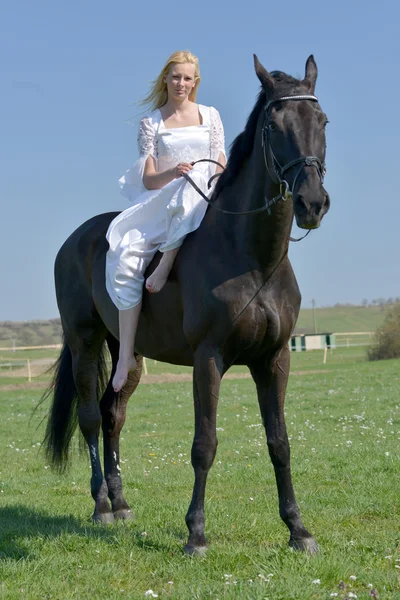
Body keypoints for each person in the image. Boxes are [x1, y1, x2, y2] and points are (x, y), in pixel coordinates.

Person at [105, 50, 226, 392]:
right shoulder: (152, 122)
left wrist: (201, 176)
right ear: (166, 80)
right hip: (164, 198)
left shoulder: (211, 115)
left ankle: (167, 259)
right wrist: (172, 172)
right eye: (175, 77)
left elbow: (219, 163)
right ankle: (126, 355)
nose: (181, 83)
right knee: (124, 256)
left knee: (199, 176)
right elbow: (147, 180)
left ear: (195, 82)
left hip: (206, 193)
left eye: (188, 78)